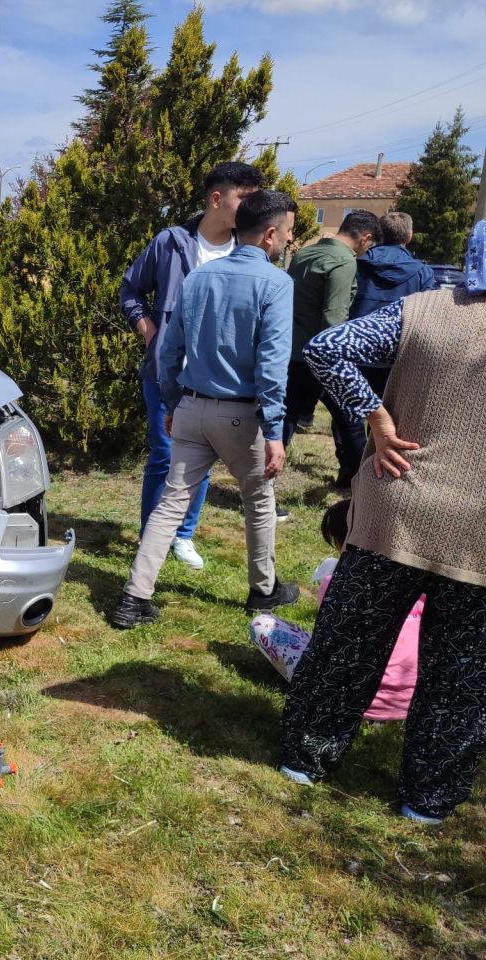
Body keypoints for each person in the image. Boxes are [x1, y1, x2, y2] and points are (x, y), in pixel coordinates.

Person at [279, 219, 486, 824]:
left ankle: (306, 756)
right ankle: (428, 799)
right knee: (461, 675)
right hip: (479, 530)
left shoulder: (421, 311)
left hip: (397, 503)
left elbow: (326, 348)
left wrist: (375, 417)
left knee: (350, 641)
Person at [111, 190, 301, 629]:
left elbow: (169, 347)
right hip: (242, 414)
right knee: (258, 500)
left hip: (193, 408)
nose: (290, 241)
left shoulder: (199, 277)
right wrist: (274, 431)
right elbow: (272, 364)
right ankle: (263, 590)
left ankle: (134, 596)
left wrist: (174, 402)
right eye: (289, 233)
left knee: (171, 502)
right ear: (270, 235)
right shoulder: (276, 284)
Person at [120, 162, 265, 571]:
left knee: (201, 458)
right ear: (217, 199)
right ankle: (153, 534)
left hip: (218, 377)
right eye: (244, 198)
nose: (251, 207)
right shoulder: (171, 243)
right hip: (166, 372)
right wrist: (148, 328)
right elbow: (131, 288)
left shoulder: (247, 251)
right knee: (166, 454)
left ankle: (182, 535)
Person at [250, 498, 419, 721]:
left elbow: (328, 640)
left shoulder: (336, 582)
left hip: (349, 696)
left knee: (262, 624)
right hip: (407, 700)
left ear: (342, 543)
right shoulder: (417, 582)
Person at [284, 210, 383, 487]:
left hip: (293, 350)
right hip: (321, 357)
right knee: (350, 417)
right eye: (370, 245)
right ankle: (362, 483)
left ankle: (262, 485)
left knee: (287, 418)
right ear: (365, 238)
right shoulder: (343, 262)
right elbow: (334, 317)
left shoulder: (306, 254)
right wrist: (342, 363)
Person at [348, 211, 438, 402]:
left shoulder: (356, 265)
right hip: (397, 356)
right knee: (388, 418)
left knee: (349, 418)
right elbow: (428, 318)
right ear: (409, 235)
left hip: (357, 350)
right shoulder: (422, 273)